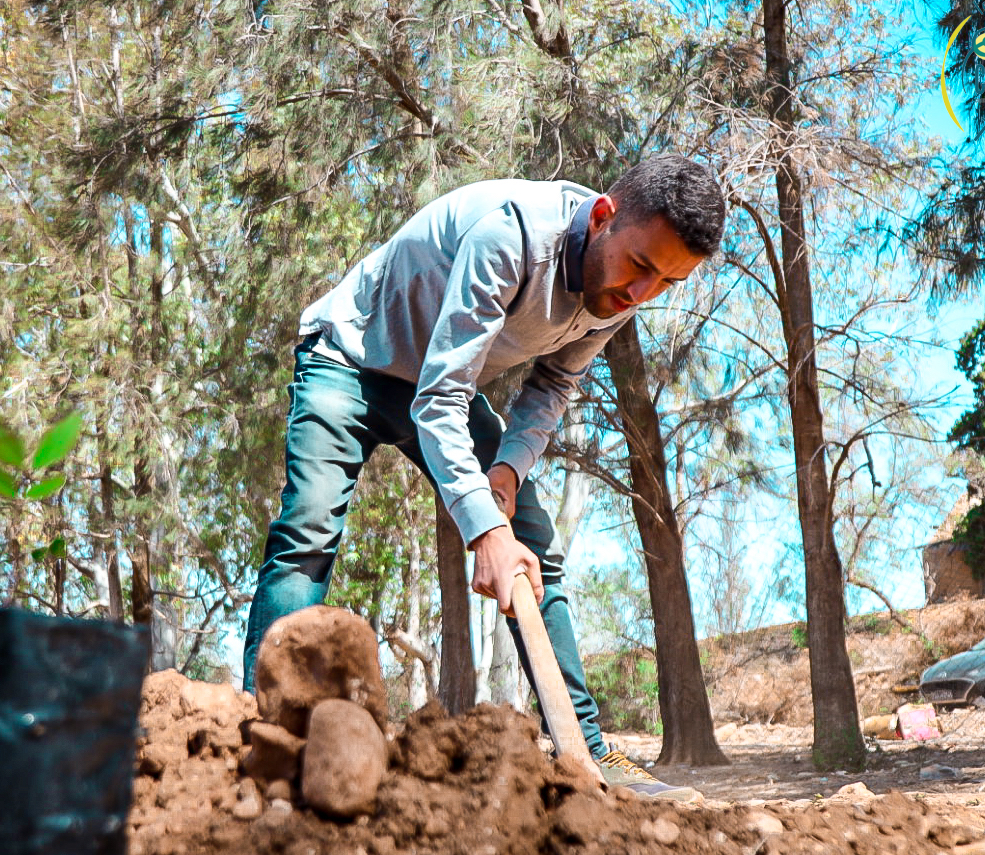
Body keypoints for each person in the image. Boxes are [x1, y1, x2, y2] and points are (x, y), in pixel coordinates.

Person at [241, 154, 727, 800]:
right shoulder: (513, 236)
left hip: (443, 383)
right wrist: (483, 532)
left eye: (667, 283)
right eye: (641, 267)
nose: (641, 295)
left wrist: (505, 472)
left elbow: (554, 384)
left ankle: (590, 751)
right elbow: (439, 400)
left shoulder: (622, 287)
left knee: (535, 547)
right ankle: (258, 736)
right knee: (306, 533)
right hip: (351, 359)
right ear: (605, 217)